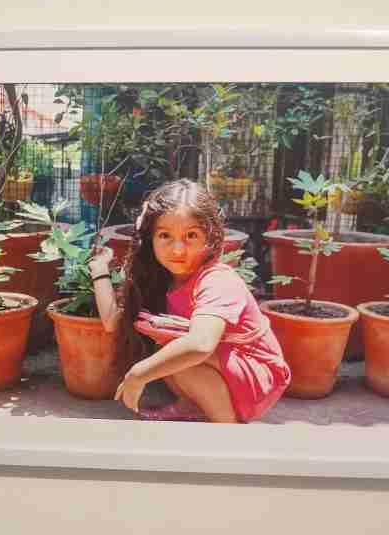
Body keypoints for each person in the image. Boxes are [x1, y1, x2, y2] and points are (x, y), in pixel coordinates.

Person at [89, 179, 290, 423]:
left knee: (180, 354)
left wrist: (138, 374)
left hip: (257, 378)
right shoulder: (162, 279)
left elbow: (201, 345)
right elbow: (112, 321)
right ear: (150, 238)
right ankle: (193, 405)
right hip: (225, 366)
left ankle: (228, 430)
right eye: (165, 235)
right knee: (165, 344)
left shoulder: (217, 279)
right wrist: (99, 269)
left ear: (211, 236)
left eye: (191, 235)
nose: (177, 249)